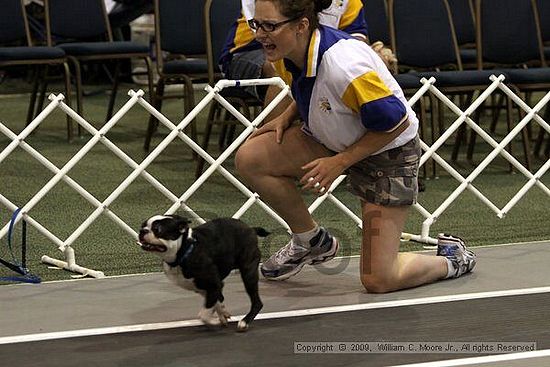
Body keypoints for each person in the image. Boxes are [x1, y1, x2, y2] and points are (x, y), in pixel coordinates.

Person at [234, 0, 476, 293]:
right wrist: (288, 115)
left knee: (379, 280)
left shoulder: (345, 66)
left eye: (270, 26)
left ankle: (452, 258)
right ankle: (310, 240)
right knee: (251, 158)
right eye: (256, 24)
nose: (260, 34)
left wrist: (340, 162)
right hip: (331, 138)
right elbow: (314, 88)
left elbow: (395, 121)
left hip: (387, 152)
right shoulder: (287, 52)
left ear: (301, 26)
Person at [219, 0, 393, 120]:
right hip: (249, 49)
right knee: (280, 67)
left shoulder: (349, 2)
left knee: (364, 64)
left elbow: (356, 38)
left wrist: (372, 54)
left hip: (314, 52)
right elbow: (266, 30)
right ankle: (279, 140)